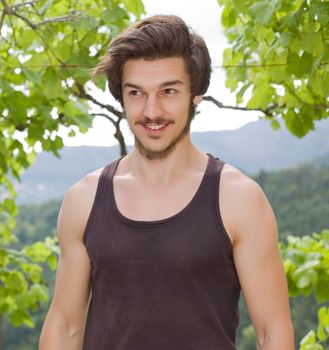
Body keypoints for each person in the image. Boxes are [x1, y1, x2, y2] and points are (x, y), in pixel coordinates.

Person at [39, 15, 294, 350]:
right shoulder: (83, 200)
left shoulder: (239, 199)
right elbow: (65, 326)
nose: (152, 111)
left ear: (196, 95)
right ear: (122, 98)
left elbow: (272, 333)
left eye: (168, 91)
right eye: (136, 93)